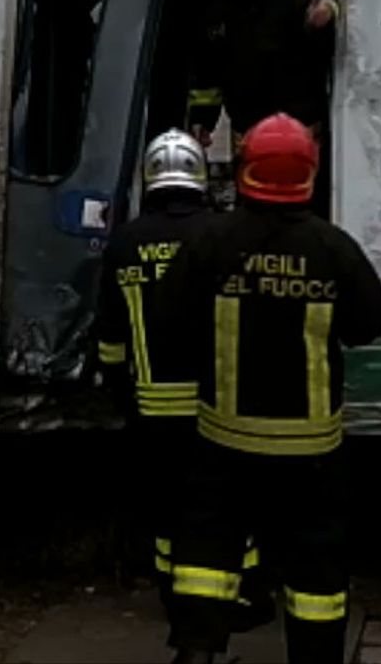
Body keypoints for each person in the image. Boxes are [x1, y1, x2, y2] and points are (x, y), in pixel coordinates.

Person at [159, 113, 381, 664]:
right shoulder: (333, 248)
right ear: (309, 173)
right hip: (311, 450)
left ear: (246, 171)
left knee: (208, 553)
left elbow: (171, 320)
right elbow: (369, 325)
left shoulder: (210, 241)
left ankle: (197, 652)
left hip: (223, 440)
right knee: (316, 567)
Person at [94, 129, 273, 637]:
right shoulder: (224, 234)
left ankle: (177, 599)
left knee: (167, 509)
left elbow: (109, 336)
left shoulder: (124, 242)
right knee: (230, 505)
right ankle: (246, 593)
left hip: (151, 409)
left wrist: (119, 390)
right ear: (199, 176)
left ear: (150, 176)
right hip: (219, 405)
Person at [184, 0, 339, 210]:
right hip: (248, 133)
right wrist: (202, 120)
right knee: (253, 205)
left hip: (303, 130)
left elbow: (326, 5)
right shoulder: (216, 15)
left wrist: (327, 11)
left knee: (305, 204)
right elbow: (208, 76)